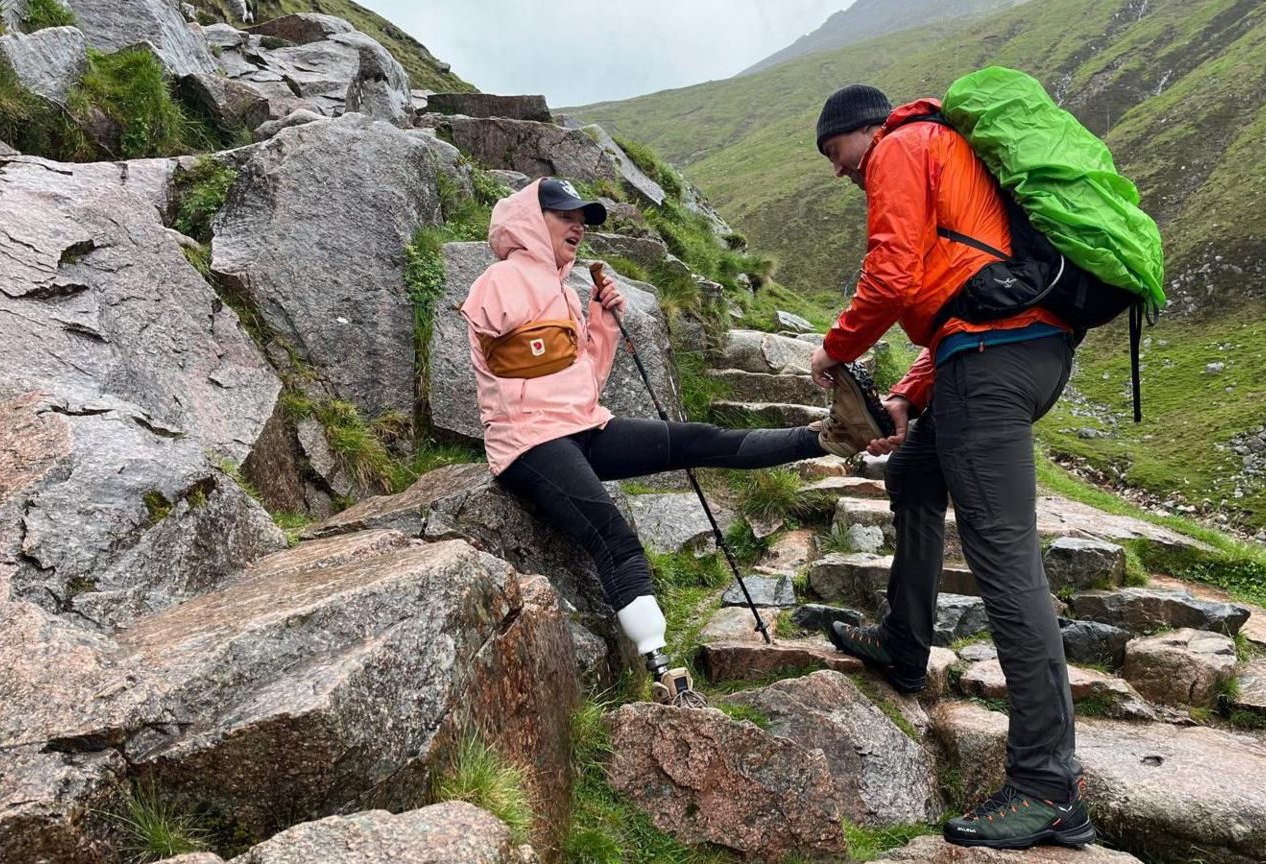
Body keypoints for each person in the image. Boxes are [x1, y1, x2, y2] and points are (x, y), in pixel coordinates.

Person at [461, 177, 884, 703]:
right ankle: (662, 667)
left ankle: (829, 437)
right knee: (612, 536)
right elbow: (507, 358)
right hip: (528, 442)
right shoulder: (500, 281)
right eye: (565, 215)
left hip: (585, 427)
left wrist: (599, 323)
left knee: (701, 440)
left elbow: (582, 383)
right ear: (529, 219)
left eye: (583, 218)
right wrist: (559, 318)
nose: (578, 226)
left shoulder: (565, 290)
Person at [809, 85, 1094, 849]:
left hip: (995, 362)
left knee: (1004, 560)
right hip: (994, 347)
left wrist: (836, 351)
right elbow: (966, 293)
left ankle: (1048, 784)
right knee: (912, 476)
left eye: (837, 156)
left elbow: (894, 275)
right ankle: (905, 643)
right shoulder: (940, 150)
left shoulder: (902, 146)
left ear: (862, 133)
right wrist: (906, 394)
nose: (841, 175)